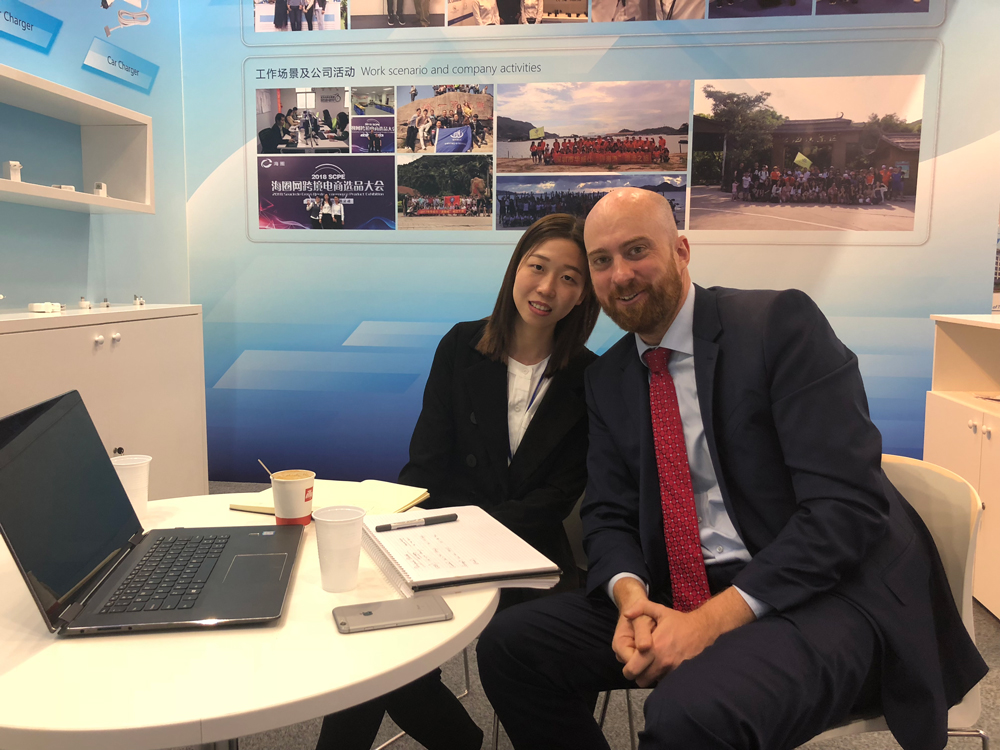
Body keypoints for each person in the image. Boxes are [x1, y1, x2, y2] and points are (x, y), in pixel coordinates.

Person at [476, 188, 987, 750]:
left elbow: (844, 509)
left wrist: (708, 622)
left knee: (689, 713)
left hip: (821, 591)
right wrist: (632, 599)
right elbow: (607, 512)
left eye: (637, 250)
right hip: (680, 587)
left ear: (681, 251)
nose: (620, 275)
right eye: (601, 261)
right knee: (511, 647)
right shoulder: (609, 378)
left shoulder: (778, 325)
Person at [314, 214, 602, 750]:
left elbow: (557, 495)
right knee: (376, 644)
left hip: (531, 553)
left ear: (585, 293)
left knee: (554, 659)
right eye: (537, 267)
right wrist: (408, 533)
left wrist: (479, 536)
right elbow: (425, 463)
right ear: (516, 267)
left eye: (569, 277)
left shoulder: (590, 376)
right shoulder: (461, 345)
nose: (547, 288)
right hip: (443, 539)